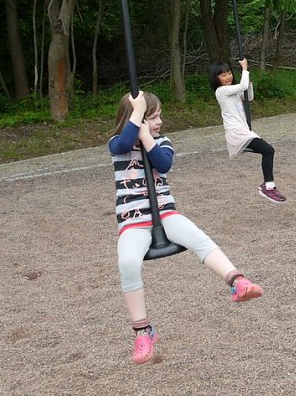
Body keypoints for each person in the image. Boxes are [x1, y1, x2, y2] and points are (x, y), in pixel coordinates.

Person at [109, 90, 263, 365]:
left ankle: (237, 281)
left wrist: (147, 136)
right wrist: (137, 117)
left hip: (166, 214)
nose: (159, 122)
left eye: (159, 117)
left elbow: (163, 164)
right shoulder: (117, 144)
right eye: (153, 117)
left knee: (198, 238)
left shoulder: (162, 142)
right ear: (136, 118)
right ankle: (143, 332)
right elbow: (121, 145)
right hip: (133, 221)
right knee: (128, 263)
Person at [209, 58, 287, 203]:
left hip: (242, 130)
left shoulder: (232, 91)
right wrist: (245, 68)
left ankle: (268, 186)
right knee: (268, 150)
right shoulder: (221, 91)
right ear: (216, 79)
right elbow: (242, 86)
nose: (228, 77)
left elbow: (248, 97)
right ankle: (268, 187)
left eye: (229, 73)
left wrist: (249, 84)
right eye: (223, 75)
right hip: (236, 132)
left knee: (267, 151)